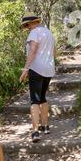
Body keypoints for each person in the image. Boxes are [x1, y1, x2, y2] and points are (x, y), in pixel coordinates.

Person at [19, 12, 56, 143]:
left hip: (36, 69)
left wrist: (26, 69)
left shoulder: (34, 33)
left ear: (32, 23)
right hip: (49, 69)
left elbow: (33, 50)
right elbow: (54, 52)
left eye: (27, 24)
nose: (27, 27)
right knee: (43, 98)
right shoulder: (48, 33)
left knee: (34, 100)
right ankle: (45, 126)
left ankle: (35, 131)